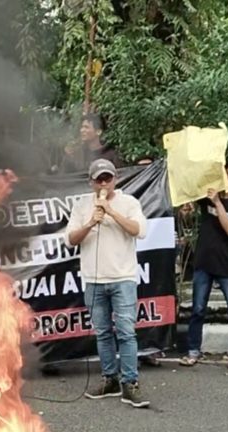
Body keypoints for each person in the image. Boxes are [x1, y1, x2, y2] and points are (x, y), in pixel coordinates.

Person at [66, 158, 150, 408]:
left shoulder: (129, 202)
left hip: (122, 278)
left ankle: (130, 383)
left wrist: (111, 211)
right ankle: (109, 378)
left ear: (116, 179)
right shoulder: (82, 205)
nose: (104, 183)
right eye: (99, 179)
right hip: (93, 280)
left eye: (108, 178)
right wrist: (91, 221)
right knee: (102, 333)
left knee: (126, 332)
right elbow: (70, 239)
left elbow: (140, 230)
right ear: (91, 182)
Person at [178, 171, 228, 370]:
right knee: (198, 309)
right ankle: (193, 351)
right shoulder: (206, 198)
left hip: (227, 265)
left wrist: (218, 203)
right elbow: (189, 195)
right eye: (226, 174)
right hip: (203, 262)